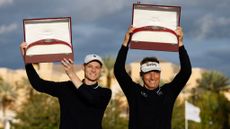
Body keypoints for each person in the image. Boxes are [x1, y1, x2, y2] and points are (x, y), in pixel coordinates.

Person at [114, 26, 192, 129]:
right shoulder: (134, 92)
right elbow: (119, 70)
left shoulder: (168, 92)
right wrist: (126, 42)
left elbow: (186, 71)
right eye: (147, 73)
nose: (152, 77)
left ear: (160, 74)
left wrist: (180, 43)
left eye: (155, 72)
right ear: (141, 75)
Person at [20, 42, 111, 129]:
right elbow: (38, 84)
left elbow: (90, 98)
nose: (93, 70)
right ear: (83, 67)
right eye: (90, 66)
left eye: (97, 67)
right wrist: (27, 61)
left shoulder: (105, 93)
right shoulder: (67, 88)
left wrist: (71, 74)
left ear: (100, 70)